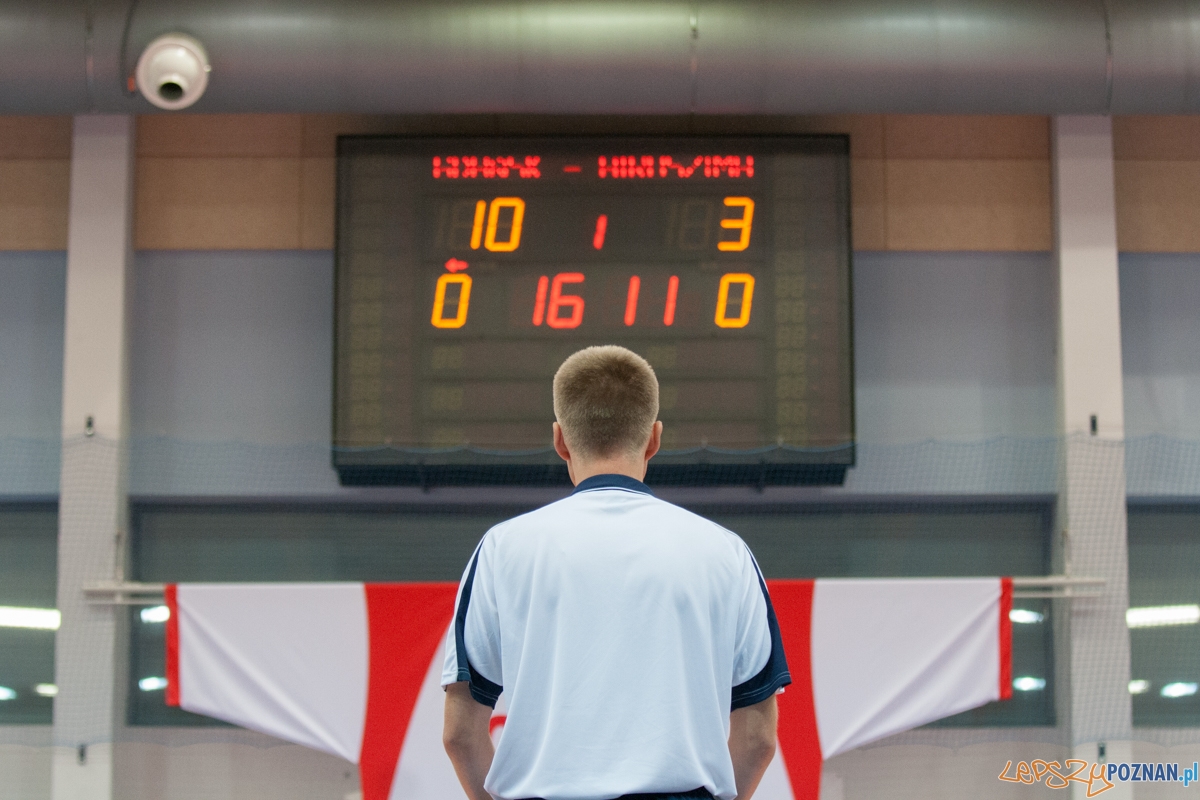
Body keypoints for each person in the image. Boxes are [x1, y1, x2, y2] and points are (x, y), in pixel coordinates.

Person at [442, 345, 789, 800]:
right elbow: (758, 737)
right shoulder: (726, 553)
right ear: (654, 439)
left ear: (560, 440)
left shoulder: (502, 549)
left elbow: (460, 734)